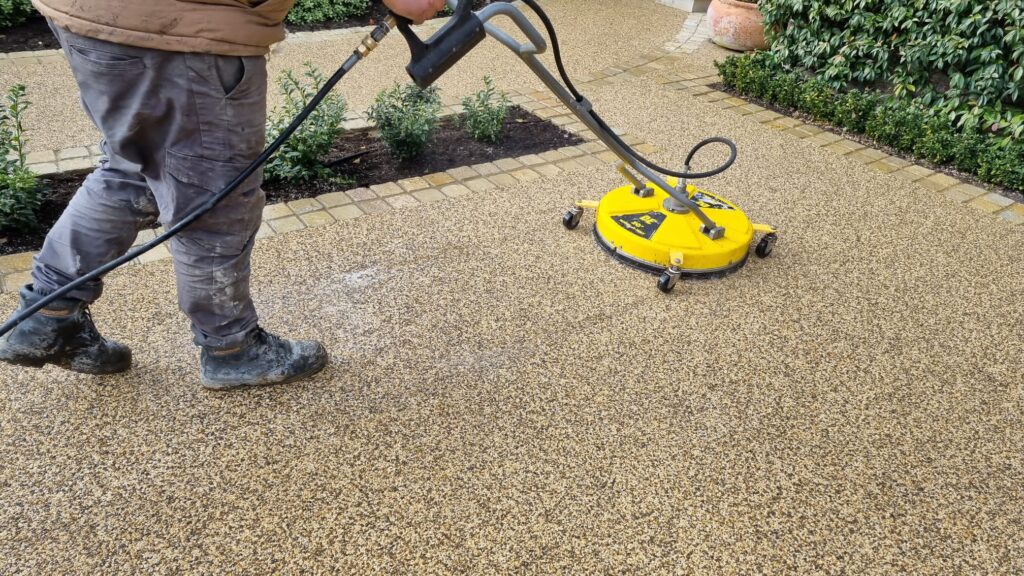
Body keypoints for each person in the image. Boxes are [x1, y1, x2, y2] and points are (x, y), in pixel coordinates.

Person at [0, 0, 447, 390]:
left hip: (91, 17)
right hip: (183, 32)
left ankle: (47, 313)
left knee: (134, 168)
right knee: (216, 198)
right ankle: (231, 348)